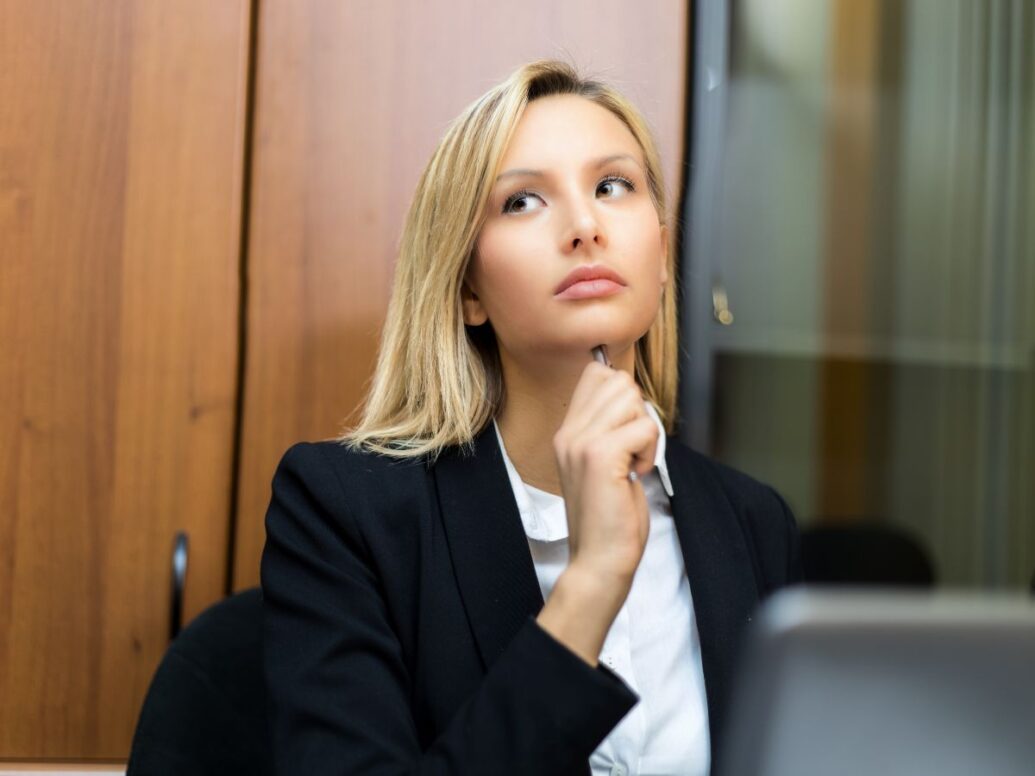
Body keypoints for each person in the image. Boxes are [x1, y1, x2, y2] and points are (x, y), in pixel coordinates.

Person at [261, 59, 803, 776]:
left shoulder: (752, 522)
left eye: (613, 186)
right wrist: (591, 583)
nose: (583, 226)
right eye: (521, 201)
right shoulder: (342, 511)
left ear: (663, 254)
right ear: (467, 291)